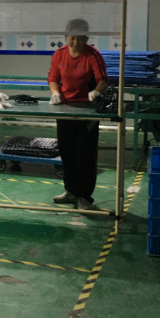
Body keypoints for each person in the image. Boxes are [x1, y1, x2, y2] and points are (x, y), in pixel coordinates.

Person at [47, 18, 109, 211]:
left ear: (87, 38)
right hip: (66, 109)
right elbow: (52, 77)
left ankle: (84, 197)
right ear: (66, 36)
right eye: (72, 38)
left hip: (87, 111)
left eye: (80, 39)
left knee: (85, 153)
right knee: (67, 151)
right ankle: (71, 191)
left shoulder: (93, 55)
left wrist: (96, 92)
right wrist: (55, 92)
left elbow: (103, 80)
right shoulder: (59, 54)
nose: (75, 43)